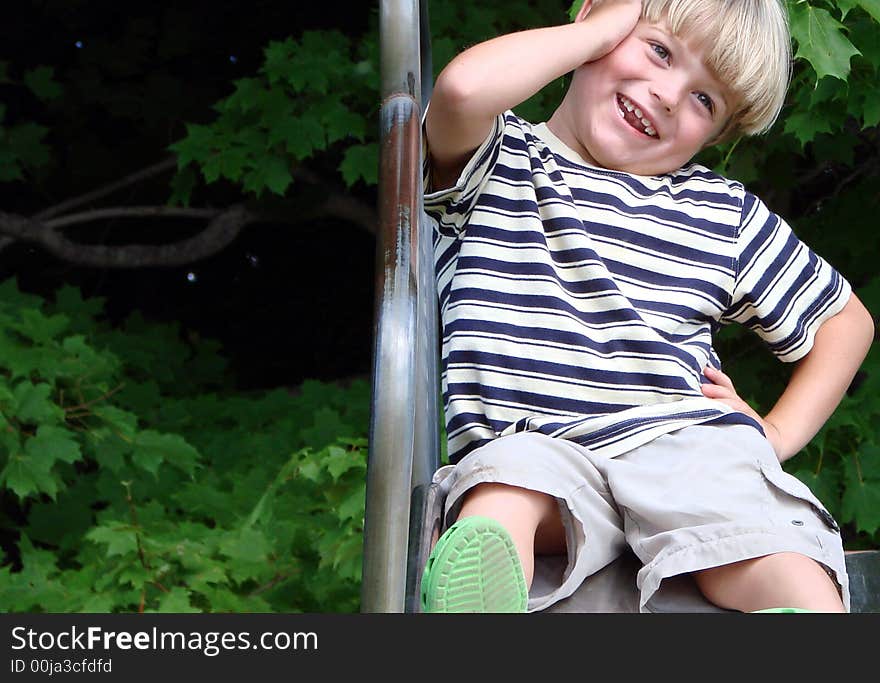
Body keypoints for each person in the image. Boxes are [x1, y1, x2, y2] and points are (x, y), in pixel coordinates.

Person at [419, 0, 875, 613]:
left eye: (704, 101)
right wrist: (597, 31)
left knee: (762, 532)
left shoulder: (717, 212)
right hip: (535, 448)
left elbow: (846, 322)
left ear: (716, 137)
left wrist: (777, 433)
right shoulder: (498, 160)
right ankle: (481, 600)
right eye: (659, 50)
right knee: (502, 491)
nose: (667, 95)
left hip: (680, 447)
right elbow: (460, 89)